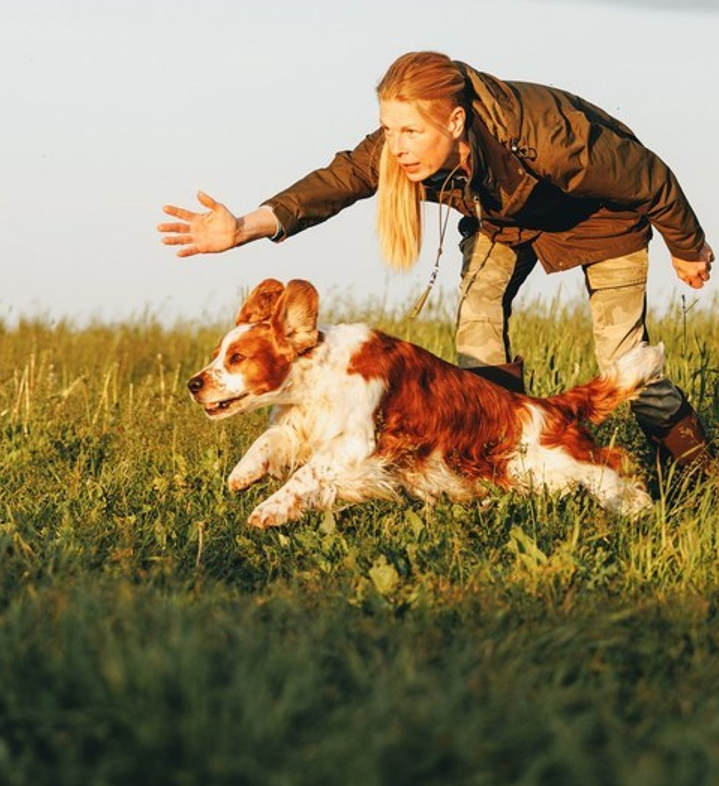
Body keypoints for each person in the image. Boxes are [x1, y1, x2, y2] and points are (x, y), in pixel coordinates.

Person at [159, 50, 714, 474]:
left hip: (603, 221)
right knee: (477, 319)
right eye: (388, 129)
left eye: (409, 132)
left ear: (452, 122)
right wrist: (244, 228)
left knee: (623, 355)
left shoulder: (549, 138)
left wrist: (686, 248)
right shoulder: (397, 150)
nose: (395, 146)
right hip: (504, 221)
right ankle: (504, 457)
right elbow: (335, 182)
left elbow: (650, 177)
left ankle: (694, 469)